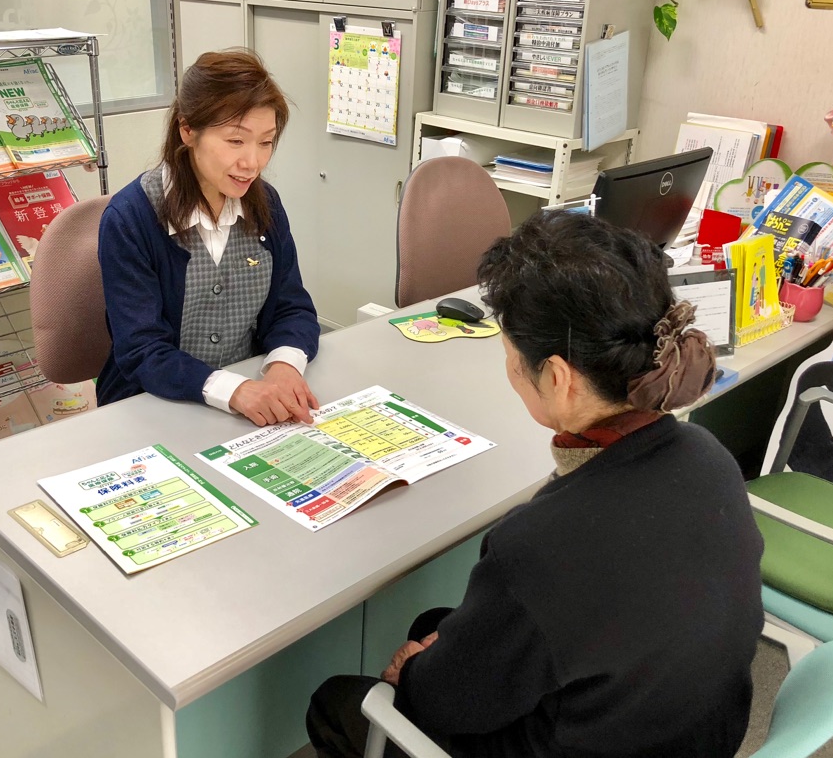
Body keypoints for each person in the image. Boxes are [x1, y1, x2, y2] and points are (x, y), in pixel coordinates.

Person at [306, 210, 764, 758]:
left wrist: (418, 671)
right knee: (438, 623)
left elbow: (436, 703)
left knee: (339, 701)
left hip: (587, 737)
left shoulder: (539, 543)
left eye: (510, 358)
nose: (509, 371)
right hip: (690, 730)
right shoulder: (708, 458)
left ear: (558, 377)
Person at [96, 49, 321, 427]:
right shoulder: (130, 218)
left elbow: (291, 306)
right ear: (188, 130)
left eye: (265, 142)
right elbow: (142, 350)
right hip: (153, 406)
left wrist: (284, 364)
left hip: (248, 402)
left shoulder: (265, 204)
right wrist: (234, 391)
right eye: (236, 141)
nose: (252, 162)